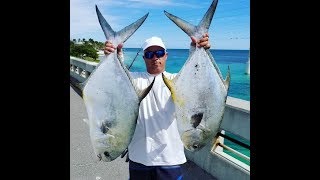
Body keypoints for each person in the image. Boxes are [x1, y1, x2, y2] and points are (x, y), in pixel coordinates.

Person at [104, 33, 211, 180]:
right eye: (149, 54)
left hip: (170, 158)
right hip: (139, 156)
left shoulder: (177, 81)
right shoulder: (134, 80)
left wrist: (197, 49)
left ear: (166, 55)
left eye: (159, 53)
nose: (155, 57)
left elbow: (197, 77)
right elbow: (116, 78)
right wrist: (115, 55)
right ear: (144, 58)